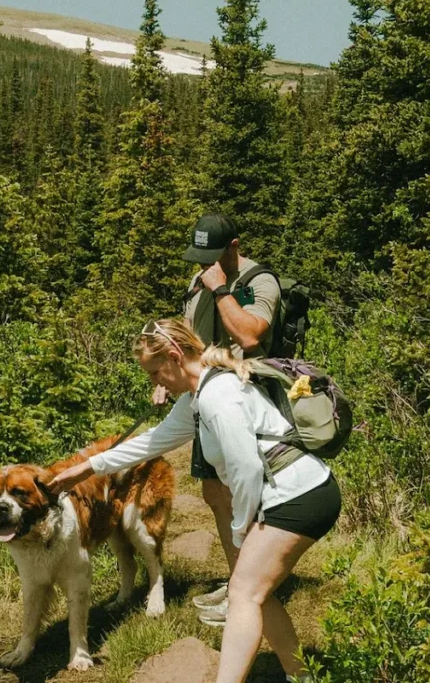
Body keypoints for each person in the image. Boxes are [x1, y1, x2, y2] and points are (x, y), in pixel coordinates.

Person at [49, 319, 340, 683]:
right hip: (295, 492)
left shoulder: (218, 396)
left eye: (156, 373)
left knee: (243, 593)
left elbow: (247, 469)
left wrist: (240, 530)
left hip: (300, 496)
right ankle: (300, 674)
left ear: (174, 356)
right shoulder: (198, 396)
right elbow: (153, 441)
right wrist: (88, 468)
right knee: (257, 593)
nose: (156, 383)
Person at [153, 213, 282, 625]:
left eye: (212, 256)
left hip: (246, 403)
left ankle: (253, 589)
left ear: (234, 247)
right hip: (205, 400)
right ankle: (238, 579)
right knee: (215, 495)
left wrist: (222, 289)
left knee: (248, 494)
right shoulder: (198, 282)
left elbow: (250, 335)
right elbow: (187, 337)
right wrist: (166, 376)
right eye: (199, 257)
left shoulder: (260, 281)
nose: (203, 265)